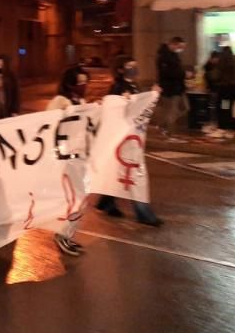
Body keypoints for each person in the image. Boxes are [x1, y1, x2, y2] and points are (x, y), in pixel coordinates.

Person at [95, 56, 163, 226]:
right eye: (129, 66)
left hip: (131, 137)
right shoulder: (118, 87)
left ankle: (106, 202)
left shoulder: (133, 85)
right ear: (120, 69)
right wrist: (150, 96)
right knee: (133, 173)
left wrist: (151, 96)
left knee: (121, 171)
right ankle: (143, 212)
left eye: (135, 65)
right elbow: (120, 109)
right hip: (125, 139)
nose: (134, 68)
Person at [48, 66, 90, 257]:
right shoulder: (60, 101)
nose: (83, 85)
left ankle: (68, 235)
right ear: (69, 83)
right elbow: (48, 126)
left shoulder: (81, 101)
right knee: (73, 199)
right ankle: (62, 235)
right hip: (66, 160)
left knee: (80, 199)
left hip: (80, 157)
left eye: (84, 81)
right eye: (79, 82)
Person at [155, 36, 188, 137]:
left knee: (185, 108)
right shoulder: (164, 56)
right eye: (180, 47)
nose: (181, 49)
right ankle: (170, 132)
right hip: (170, 88)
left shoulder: (174, 55)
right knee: (172, 111)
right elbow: (167, 73)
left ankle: (163, 125)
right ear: (174, 44)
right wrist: (184, 74)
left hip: (178, 87)